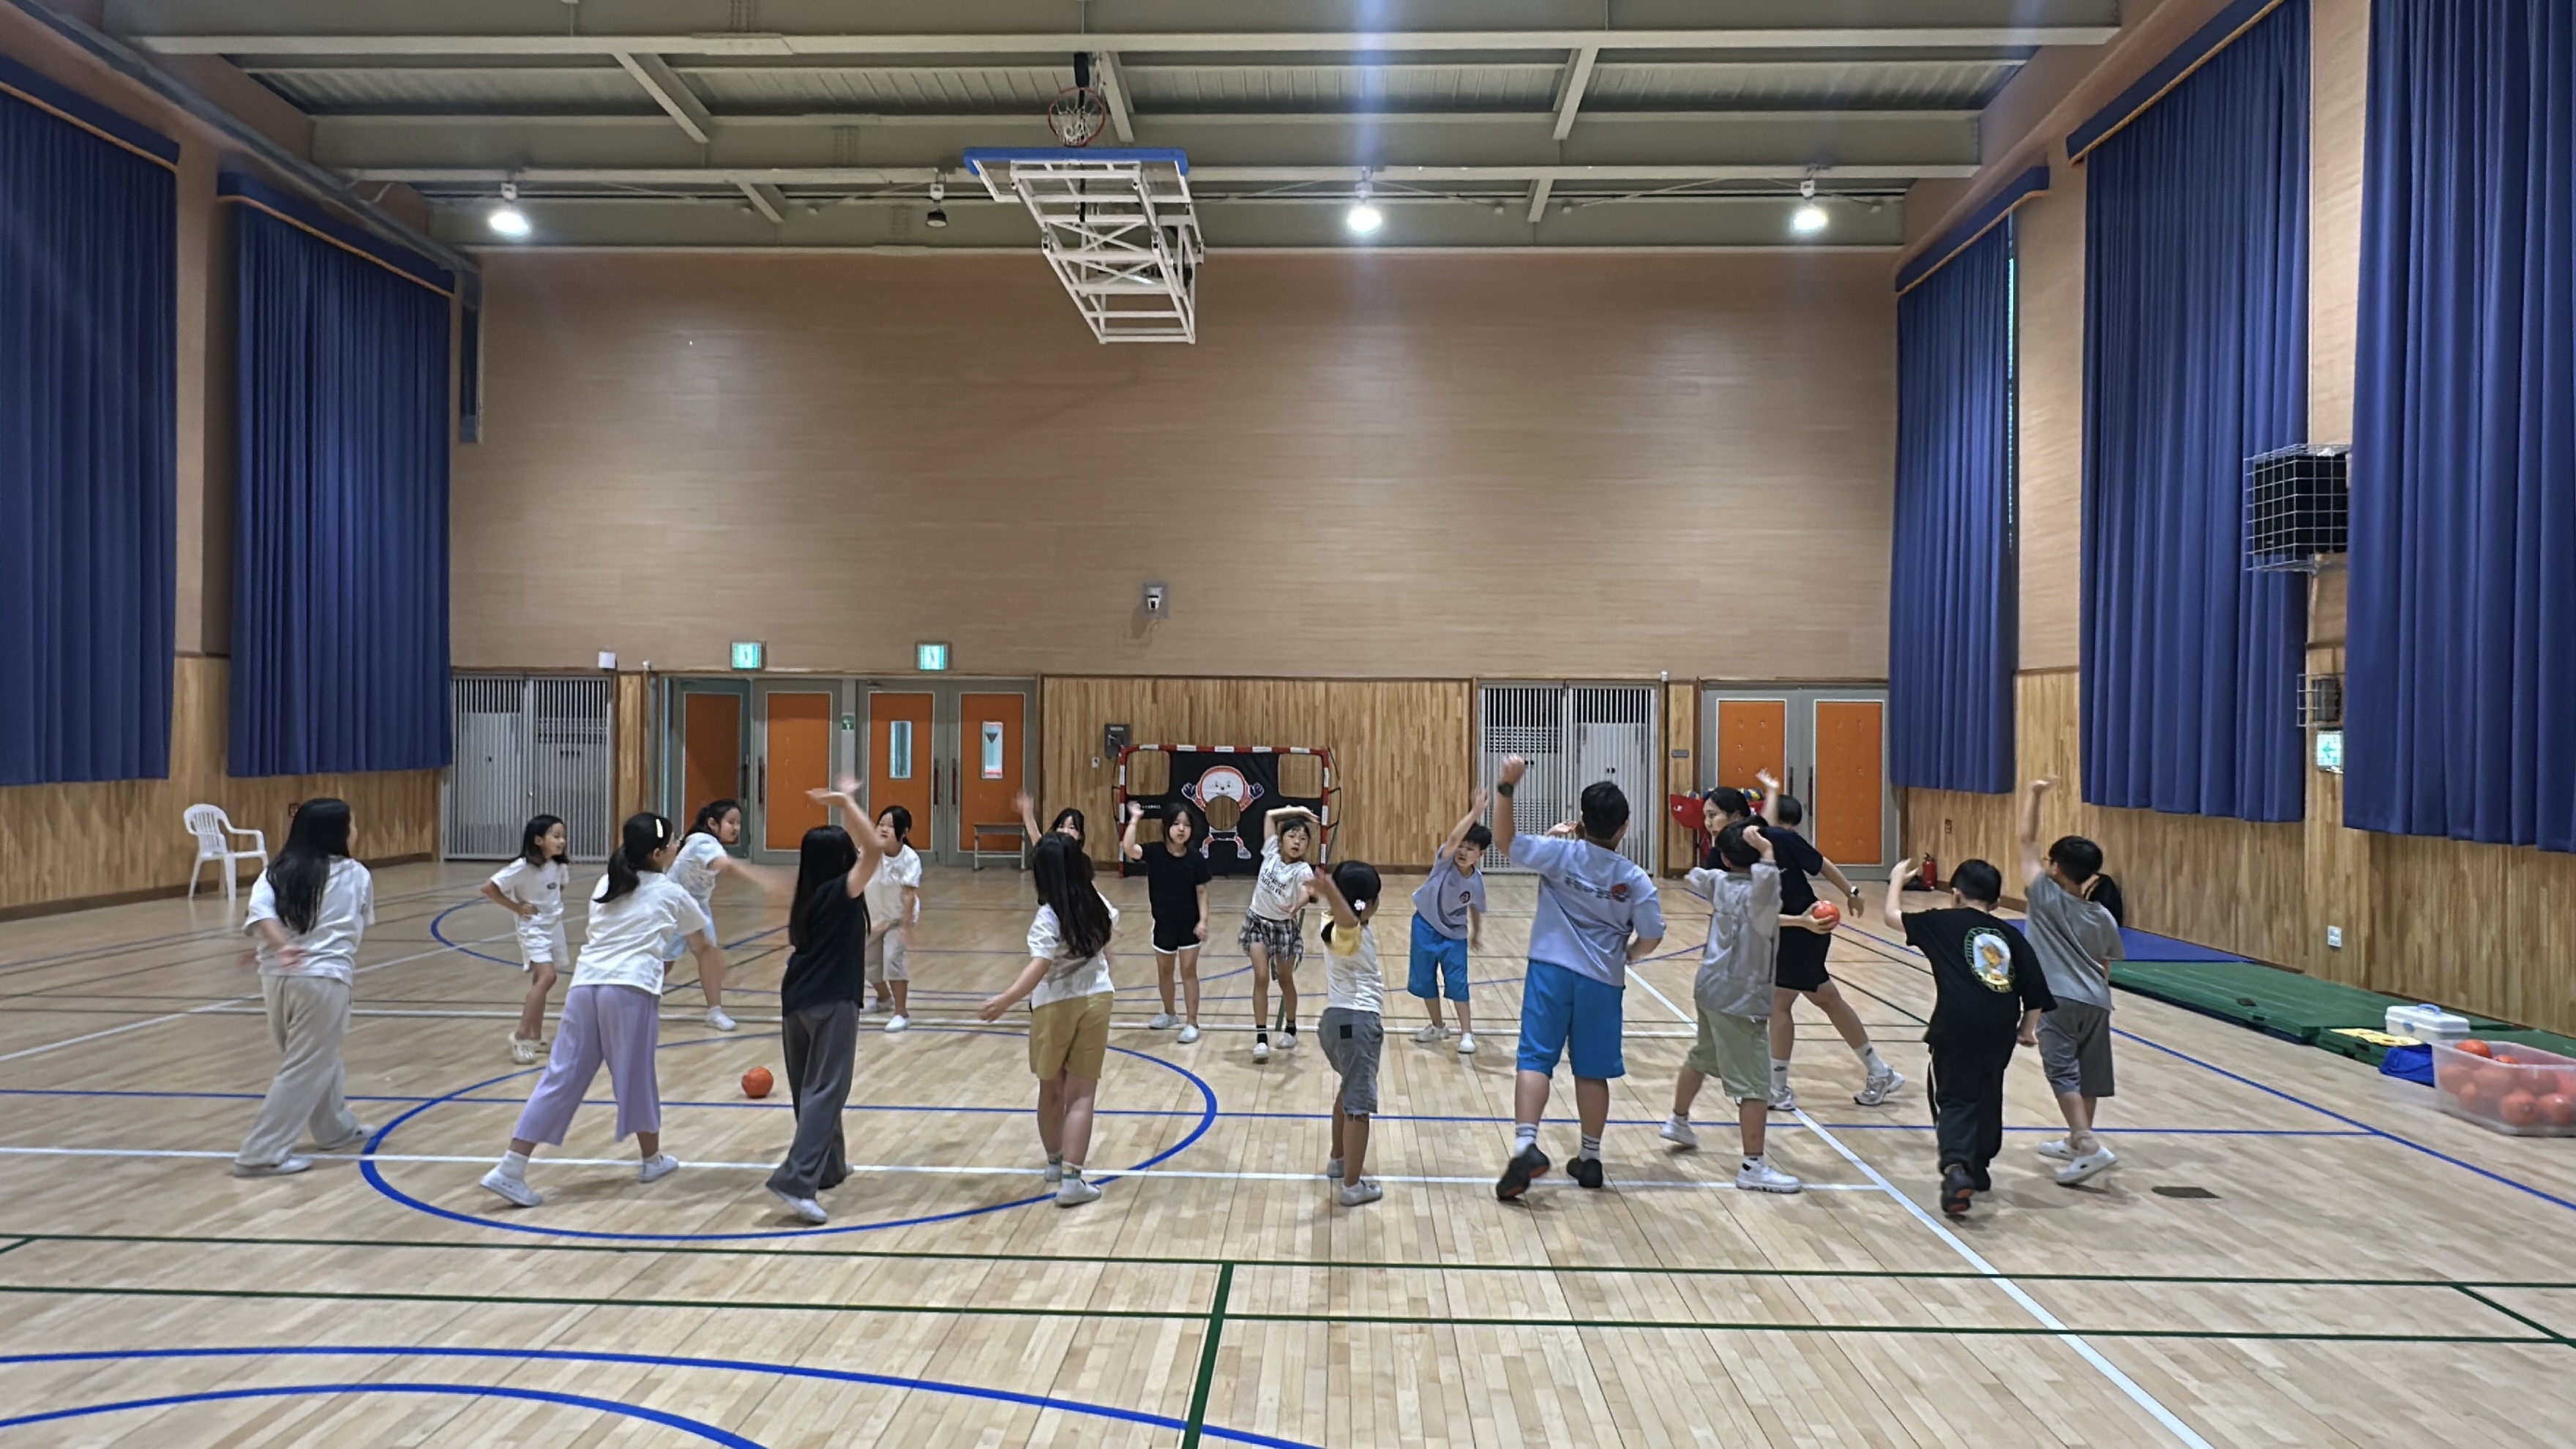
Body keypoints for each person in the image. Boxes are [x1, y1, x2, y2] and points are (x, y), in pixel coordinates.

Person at [480, 812, 732, 1208]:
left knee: (560, 1077)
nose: (677, 848)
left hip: (585, 987)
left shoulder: (607, 882)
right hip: (630, 989)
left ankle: (511, 1167)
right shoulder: (671, 892)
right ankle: (651, 1160)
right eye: (672, 843)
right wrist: (717, 961)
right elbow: (703, 946)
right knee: (636, 1077)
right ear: (658, 853)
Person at [1491, 757, 1666, 1200]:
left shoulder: (1560, 853)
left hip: (1550, 970)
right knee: (1592, 1071)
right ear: (1625, 827)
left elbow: (1505, 841)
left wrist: (1507, 787)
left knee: (1535, 1059)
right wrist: (1629, 954)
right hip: (1602, 981)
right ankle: (1590, 1158)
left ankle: (1525, 1145)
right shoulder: (1635, 879)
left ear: (1582, 820)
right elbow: (1652, 934)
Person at [1882, 851, 2055, 1216]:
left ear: (1956, 894)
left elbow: (1892, 917)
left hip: (1956, 1024)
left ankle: (1957, 1167)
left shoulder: (1941, 922)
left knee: (1954, 1097)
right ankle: (1979, 1167)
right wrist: (2027, 1030)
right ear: (1995, 902)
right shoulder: (2011, 934)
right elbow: (2036, 989)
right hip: (2000, 1028)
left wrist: (1897, 879)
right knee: (1988, 1092)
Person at [1733, 771, 1901, 1111]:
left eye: (1713, 815)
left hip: (1809, 930)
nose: (1708, 821)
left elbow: (1821, 863)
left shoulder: (1778, 839)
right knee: (1825, 998)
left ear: (1736, 817)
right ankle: (1879, 1070)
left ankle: (1778, 1089)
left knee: (1781, 1004)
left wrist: (1851, 891)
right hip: (1787, 931)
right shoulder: (1729, 854)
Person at [765, 781, 888, 1224]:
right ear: (841, 860)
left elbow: (864, 850)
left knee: (810, 1088)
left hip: (796, 999)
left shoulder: (810, 894)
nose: (857, 854)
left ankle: (829, 1166)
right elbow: (875, 850)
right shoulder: (841, 891)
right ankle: (796, 1180)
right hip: (831, 999)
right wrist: (845, 803)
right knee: (827, 1089)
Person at [233, 798, 372, 1177]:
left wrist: (280, 946)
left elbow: (262, 914)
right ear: (337, 832)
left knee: (317, 1058)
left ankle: (334, 1128)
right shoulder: (356, 874)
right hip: (324, 979)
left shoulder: (276, 871)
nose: (355, 830)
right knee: (304, 1066)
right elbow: (355, 924)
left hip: (275, 978)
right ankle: (261, 1153)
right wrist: (294, 947)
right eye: (351, 824)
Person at [978, 833, 1119, 1208]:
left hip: (1054, 1005)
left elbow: (1040, 964)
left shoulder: (1048, 916)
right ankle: (1073, 1179)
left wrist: (1006, 1000)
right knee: (1083, 1094)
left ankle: (1055, 1162)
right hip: (1097, 999)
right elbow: (1109, 937)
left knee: (1051, 1090)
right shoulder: (1097, 901)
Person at [1664, 822, 1802, 1193]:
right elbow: (1767, 885)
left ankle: (1678, 1121)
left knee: (1703, 1055)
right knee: (1756, 1083)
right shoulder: (1760, 894)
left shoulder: (1718, 882)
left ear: (1725, 858)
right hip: (1740, 998)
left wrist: (1722, 840)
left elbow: (1696, 874)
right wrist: (1768, 852)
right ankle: (1752, 1166)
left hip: (1710, 987)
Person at [2018, 778, 2124, 1186]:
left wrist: (2035, 794)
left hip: (2058, 998)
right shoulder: (2102, 914)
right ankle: (2076, 1141)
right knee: (2088, 1074)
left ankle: (2087, 1143)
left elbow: (2026, 840)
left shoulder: (2044, 895)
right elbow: (2105, 965)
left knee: (2062, 1073)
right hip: (2097, 1000)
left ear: (2056, 868)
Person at [663, 799, 787, 1031]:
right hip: (674, 906)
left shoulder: (704, 842)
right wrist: (762, 879)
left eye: (739, 823)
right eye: (731, 822)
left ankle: (715, 1011)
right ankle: (641, 1003)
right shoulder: (702, 841)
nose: (736, 828)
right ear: (712, 823)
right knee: (664, 962)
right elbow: (726, 865)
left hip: (698, 907)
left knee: (709, 955)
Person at [1312, 858, 1388, 1208]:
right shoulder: (1348, 932)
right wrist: (1330, 888)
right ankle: (1353, 1186)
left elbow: (1344, 917)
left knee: (1348, 1091)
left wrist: (1330, 893)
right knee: (1359, 1107)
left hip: (1334, 1022)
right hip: (1357, 1025)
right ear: (1368, 903)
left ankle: (1338, 1160)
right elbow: (1348, 922)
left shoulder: (1328, 922)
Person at [481, 814, 570, 1063]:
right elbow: (489, 887)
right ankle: (521, 1036)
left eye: (563, 836)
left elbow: (558, 888)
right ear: (538, 840)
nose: (562, 841)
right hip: (533, 929)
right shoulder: (522, 867)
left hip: (554, 926)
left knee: (540, 980)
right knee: (548, 977)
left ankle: (536, 1034)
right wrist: (517, 907)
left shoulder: (559, 866)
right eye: (556, 836)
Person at [1408, 792, 1491, 1055]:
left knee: (1457, 982)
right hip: (1424, 926)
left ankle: (1467, 1033)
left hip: (1454, 936)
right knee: (1424, 979)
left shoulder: (1476, 882)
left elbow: (1475, 907)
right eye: (1462, 846)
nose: (1463, 851)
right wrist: (1475, 813)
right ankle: (1438, 1026)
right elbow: (1454, 839)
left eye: (1470, 848)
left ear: (1481, 854)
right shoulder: (1444, 863)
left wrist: (1476, 933)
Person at [1121, 801, 1211, 1042]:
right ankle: (1170, 1014)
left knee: (1189, 972)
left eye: (1186, 825)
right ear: (1167, 827)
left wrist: (1203, 921)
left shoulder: (1195, 858)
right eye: (1176, 824)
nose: (1181, 829)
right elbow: (1129, 848)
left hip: (1189, 925)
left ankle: (1192, 1023)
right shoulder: (1155, 852)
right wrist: (1135, 819)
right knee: (1165, 972)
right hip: (1163, 924)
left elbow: (1202, 891)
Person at [1240, 804, 1319, 1063]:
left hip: (1284, 927)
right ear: (1281, 839)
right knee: (1261, 976)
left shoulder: (1302, 870)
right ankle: (1261, 1039)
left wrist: (1298, 904)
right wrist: (1300, 811)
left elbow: (1307, 892)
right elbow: (1270, 815)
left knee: (1285, 980)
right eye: (1292, 836)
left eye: (1303, 839)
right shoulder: (1271, 851)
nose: (1297, 842)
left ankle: (1291, 1027)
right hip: (1257, 923)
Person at [864, 804, 924, 1032]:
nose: (884, 829)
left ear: (904, 832)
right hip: (873, 916)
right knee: (866, 962)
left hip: (898, 919)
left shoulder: (909, 859)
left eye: (890, 826)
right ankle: (884, 999)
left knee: (892, 960)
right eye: (881, 824)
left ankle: (902, 1013)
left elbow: (909, 895)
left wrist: (905, 927)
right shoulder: (869, 850)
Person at [1016, 792, 1087, 848]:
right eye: (1061, 827)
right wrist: (1028, 815)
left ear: (1080, 835)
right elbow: (1038, 842)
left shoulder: (1084, 860)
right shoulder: (1050, 853)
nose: (1065, 831)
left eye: (1071, 827)